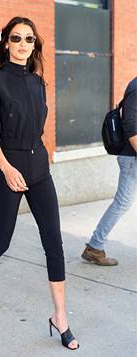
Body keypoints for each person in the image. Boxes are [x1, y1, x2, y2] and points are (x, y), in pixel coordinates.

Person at [0, 17, 79, 350]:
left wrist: (41, 159)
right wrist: (5, 165)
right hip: (8, 168)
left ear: (34, 45)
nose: (23, 44)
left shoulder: (37, 82)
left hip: (39, 170)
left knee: (54, 243)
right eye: (16, 38)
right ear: (6, 44)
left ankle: (60, 317)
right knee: (1, 241)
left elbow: (38, 129)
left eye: (29, 39)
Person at [81, 77, 137, 265]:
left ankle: (95, 247)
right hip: (132, 157)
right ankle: (95, 247)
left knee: (122, 203)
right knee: (122, 203)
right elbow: (131, 125)